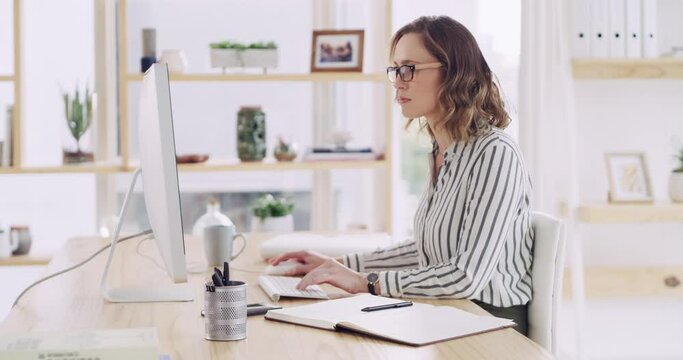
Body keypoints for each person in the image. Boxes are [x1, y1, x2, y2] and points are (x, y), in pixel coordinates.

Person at [269, 15, 533, 336]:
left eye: (409, 68)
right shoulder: (442, 151)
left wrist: (366, 283)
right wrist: (340, 264)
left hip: (491, 323)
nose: (398, 81)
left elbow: (466, 275)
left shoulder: (495, 153)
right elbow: (426, 251)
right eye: (395, 70)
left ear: (453, 73)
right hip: (447, 310)